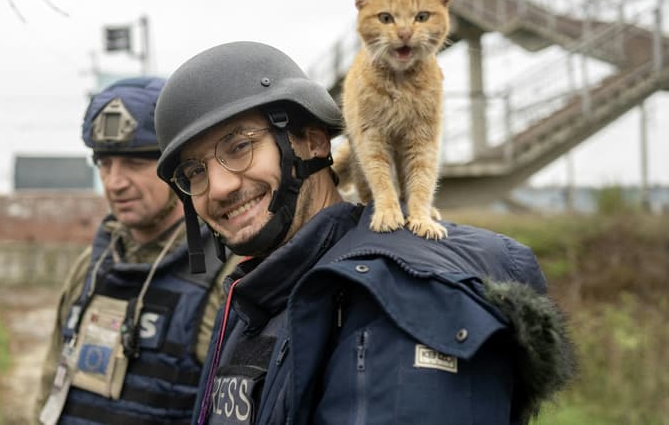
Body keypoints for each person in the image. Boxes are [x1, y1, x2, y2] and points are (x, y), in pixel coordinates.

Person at [153, 41, 575, 425]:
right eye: (195, 172)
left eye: (239, 146)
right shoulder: (258, 295)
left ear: (314, 141)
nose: (221, 186)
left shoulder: (398, 300)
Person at [36, 77, 238, 425]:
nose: (115, 182)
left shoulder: (228, 272)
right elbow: (49, 389)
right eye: (104, 162)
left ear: (179, 166)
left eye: (134, 163)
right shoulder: (92, 265)